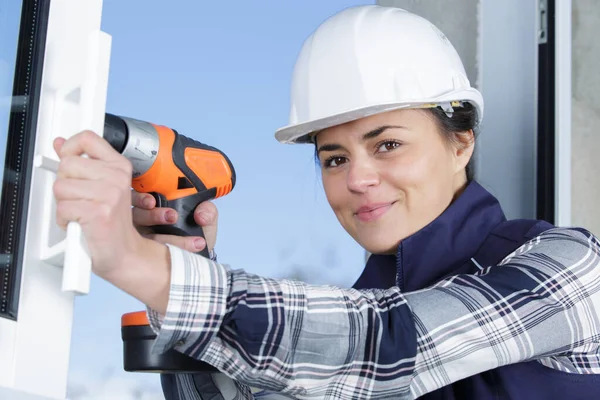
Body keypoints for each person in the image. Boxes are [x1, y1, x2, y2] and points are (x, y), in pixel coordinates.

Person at [52, 5, 600, 400]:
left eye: (387, 144)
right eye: (334, 158)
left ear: (461, 143)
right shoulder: (342, 313)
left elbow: (389, 350)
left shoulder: (569, 269)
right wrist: (182, 269)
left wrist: (139, 264)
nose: (357, 179)